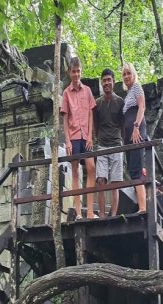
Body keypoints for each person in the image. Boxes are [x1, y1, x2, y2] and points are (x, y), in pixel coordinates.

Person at [61, 57, 97, 220]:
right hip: (74, 136)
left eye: (78, 71)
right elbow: (65, 118)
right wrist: (67, 141)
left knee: (91, 168)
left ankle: (89, 210)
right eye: (73, 71)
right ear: (69, 73)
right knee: (75, 171)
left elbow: (90, 114)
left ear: (81, 72)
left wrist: (90, 136)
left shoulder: (87, 90)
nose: (76, 74)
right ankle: (78, 212)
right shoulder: (66, 93)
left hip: (86, 136)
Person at [94, 68, 125, 217]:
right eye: (104, 80)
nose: (107, 83)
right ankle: (101, 214)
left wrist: (122, 141)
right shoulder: (97, 103)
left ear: (113, 82)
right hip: (102, 145)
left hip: (117, 144)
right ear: (101, 83)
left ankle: (113, 215)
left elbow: (123, 124)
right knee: (100, 180)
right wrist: (98, 138)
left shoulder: (120, 102)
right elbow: (95, 124)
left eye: (109, 80)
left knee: (115, 183)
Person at [121, 62, 147, 214]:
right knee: (132, 168)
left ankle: (143, 207)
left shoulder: (137, 87)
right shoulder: (128, 93)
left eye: (128, 73)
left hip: (136, 131)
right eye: (124, 74)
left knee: (136, 168)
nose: (126, 77)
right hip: (129, 134)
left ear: (133, 74)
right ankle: (141, 204)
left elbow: (141, 107)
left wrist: (136, 127)